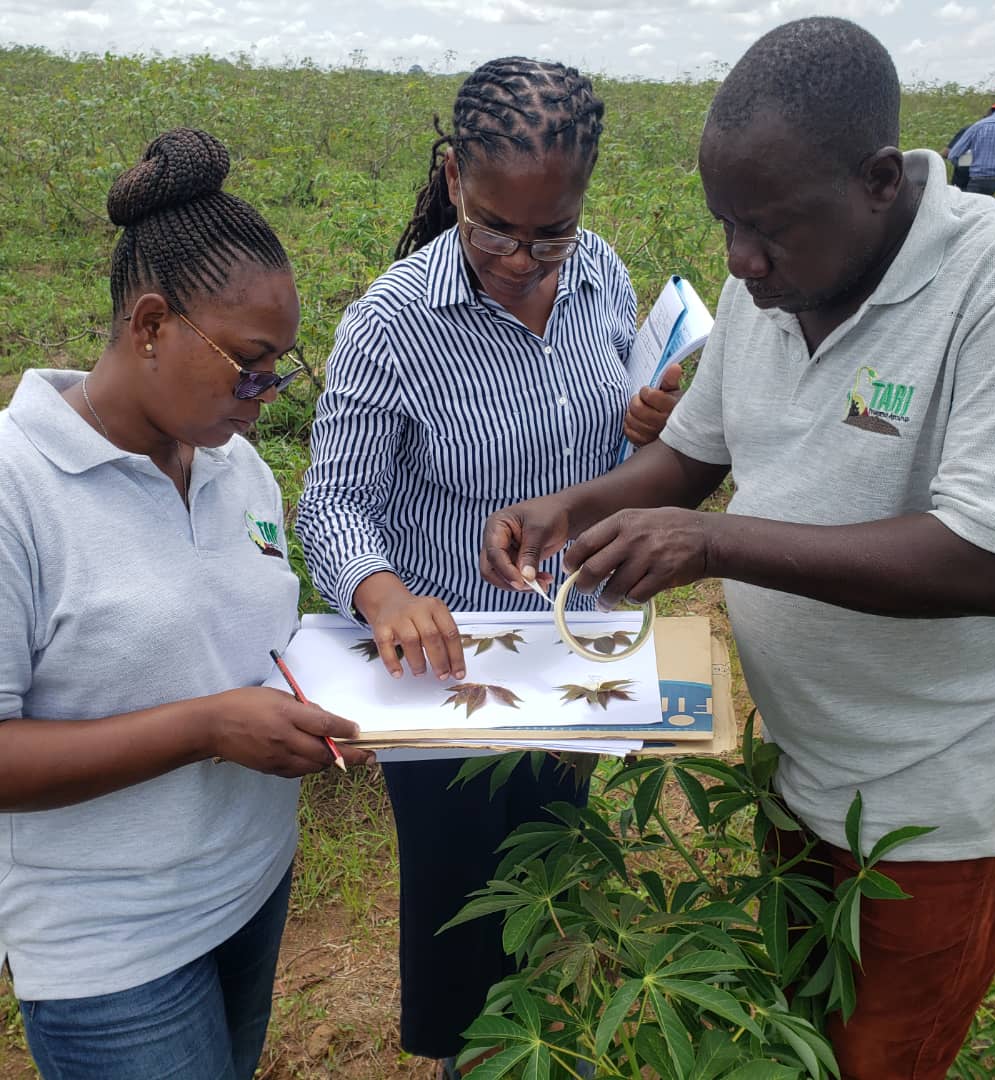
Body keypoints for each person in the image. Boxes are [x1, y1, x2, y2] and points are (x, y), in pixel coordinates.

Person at [481, 18, 995, 1080]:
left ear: (880, 183)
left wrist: (712, 543)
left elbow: (987, 562)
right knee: (797, 1039)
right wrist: (563, 508)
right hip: (803, 763)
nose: (740, 261)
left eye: (770, 229)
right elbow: (687, 463)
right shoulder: (771, 286)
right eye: (725, 225)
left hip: (938, 792)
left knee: (877, 1060)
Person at [296, 57, 679, 1077]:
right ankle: (478, 1059)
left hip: (574, 662)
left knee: (555, 879)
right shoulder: (394, 321)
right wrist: (386, 595)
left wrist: (647, 434)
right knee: (467, 909)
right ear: (457, 178)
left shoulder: (602, 278)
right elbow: (334, 503)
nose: (525, 256)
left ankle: (549, 1046)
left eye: (551, 231)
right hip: (447, 682)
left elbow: (613, 469)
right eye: (498, 228)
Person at [0, 128, 371, 1080]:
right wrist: (206, 728)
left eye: (282, 368)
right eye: (251, 365)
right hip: (110, 943)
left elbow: (240, 638)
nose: (265, 399)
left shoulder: (233, 465)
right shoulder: (16, 489)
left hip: (248, 886)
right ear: (152, 324)